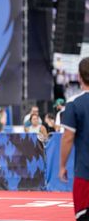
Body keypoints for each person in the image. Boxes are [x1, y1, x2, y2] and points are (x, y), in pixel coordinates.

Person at [60, 57, 89, 221]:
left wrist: (62, 166)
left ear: (79, 77)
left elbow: (67, 138)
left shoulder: (74, 105)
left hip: (85, 175)